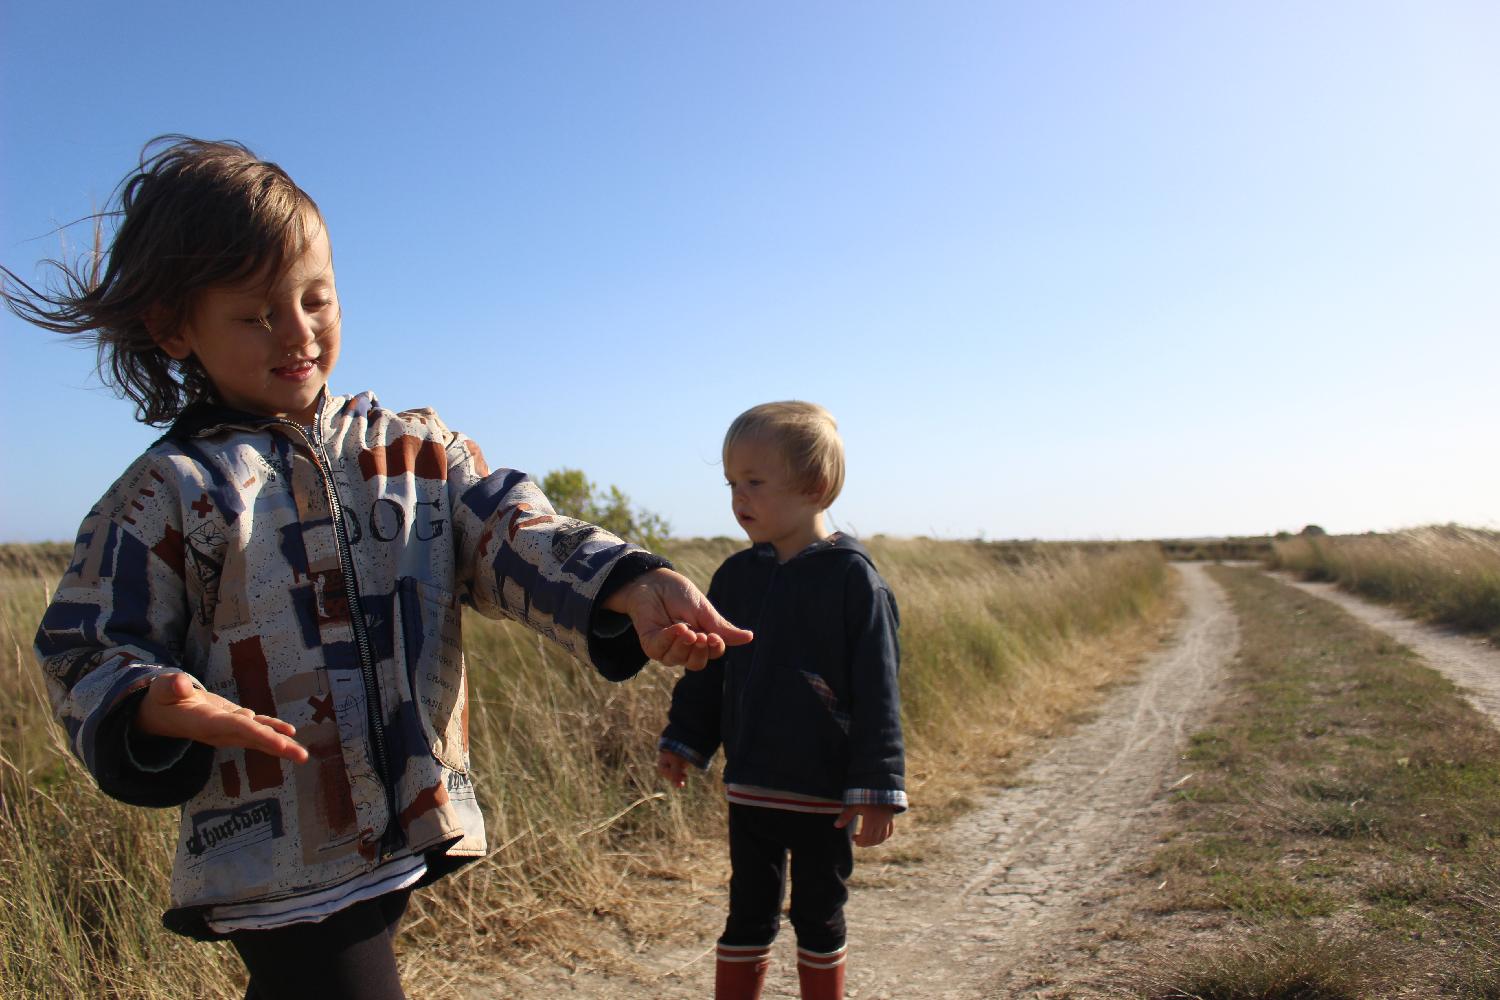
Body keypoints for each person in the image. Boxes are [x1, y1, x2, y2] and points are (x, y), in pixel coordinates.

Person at [5, 135, 751, 1000]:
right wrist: (144, 699)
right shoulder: (168, 494)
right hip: (269, 848)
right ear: (175, 329)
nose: (299, 332)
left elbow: (512, 531)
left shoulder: (413, 453)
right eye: (255, 314)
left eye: (316, 298)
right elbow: (81, 646)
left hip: (394, 824)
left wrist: (627, 580)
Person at [657, 401, 905, 1000]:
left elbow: (879, 694)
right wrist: (685, 740)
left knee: (818, 918)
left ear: (815, 486)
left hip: (825, 796)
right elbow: (709, 674)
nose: (739, 497)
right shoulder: (736, 576)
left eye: (755, 482)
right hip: (752, 788)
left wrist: (876, 787)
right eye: (732, 483)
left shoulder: (853, 579)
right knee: (748, 914)